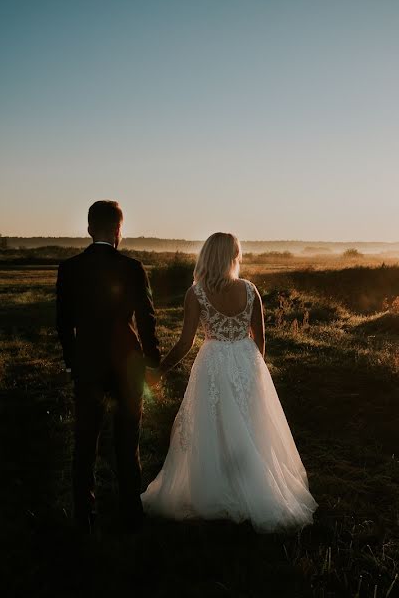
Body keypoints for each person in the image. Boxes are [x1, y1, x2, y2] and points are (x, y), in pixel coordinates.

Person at [141, 232, 316, 532]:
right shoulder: (250, 291)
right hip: (247, 363)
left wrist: (160, 370)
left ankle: (216, 489)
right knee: (250, 427)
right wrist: (251, 370)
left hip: (213, 364)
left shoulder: (196, 293)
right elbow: (260, 342)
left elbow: (186, 343)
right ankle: (249, 487)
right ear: (233, 256)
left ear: (207, 256)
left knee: (214, 426)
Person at [55, 200, 161, 532]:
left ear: (88, 229)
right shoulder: (133, 267)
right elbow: (147, 321)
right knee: (127, 445)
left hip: (87, 365)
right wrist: (153, 364)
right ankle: (131, 513)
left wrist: (74, 361)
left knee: (85, 443)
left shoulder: (69, 269)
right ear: (119, 230)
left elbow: (63, 324)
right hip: (128, 366)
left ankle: (84, 515)